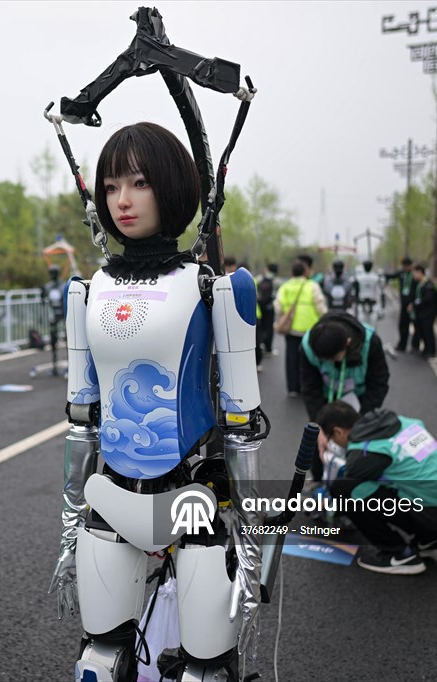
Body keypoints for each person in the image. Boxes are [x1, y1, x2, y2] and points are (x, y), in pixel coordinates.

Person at [49, 122, 271, 679]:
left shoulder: (214, 288)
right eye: (110, 186)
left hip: (197, 494)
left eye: (139, 183)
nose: (121, 200)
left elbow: (242, 421)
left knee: (205, 669)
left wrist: (249, 537)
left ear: (171, 187)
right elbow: (83, 418)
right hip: (110, 494)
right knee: (98, 660)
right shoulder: (87, 289)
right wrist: (71, 525)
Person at [315, 401, 437, 575]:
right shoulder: (403, 422)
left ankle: (399, 554)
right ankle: (430, 541)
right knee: (399, 480)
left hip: (436, 516)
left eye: (331, 438)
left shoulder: (363, 453)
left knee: (343, 489)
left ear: (338, 431)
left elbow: (352, 479)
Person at [299, 311, 390, 481]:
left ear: (347, 343)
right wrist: (318, 424)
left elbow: (379, 383)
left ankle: (355, 483)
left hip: (361, 399)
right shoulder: (308, 346)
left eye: (333, 358)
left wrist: (362, 420)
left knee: (359, 442)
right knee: (318, 439)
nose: (329, 363)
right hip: (327, 399)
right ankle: (319, 481)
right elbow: (310, 389)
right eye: (323, 360)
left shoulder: (371, 343)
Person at [274, 260, 327, 397]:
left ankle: (293, 388)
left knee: (292, 358)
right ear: (305, 272)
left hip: (291, 329)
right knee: (311, 358)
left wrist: (285, 315)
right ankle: (308, 386)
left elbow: (278, 306)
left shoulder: (285, 286)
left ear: (292, 273)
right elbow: (320, 306)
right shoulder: (312, 286)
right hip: (310, 329)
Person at [408, 264, 437, 358]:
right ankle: (426, 349)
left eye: (415, 273)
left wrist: (416, 304)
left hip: (428, 313)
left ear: (420, 273)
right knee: (423, 332)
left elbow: (428, 299)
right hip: (422, 313)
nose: (414, 276)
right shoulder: (420, 283)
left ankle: (431, 351)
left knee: (428, 332)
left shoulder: (428, 284)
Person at [385, 256, 416, 352]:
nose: (405, 267)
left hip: (413, 304)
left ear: (411, 265)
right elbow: (390, 276)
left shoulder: (414, 275)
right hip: (404, 304)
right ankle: (402, 345)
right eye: (404, 266)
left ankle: (415, 346)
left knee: (417, 326)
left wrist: (413, 303)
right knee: (403, 325)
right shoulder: (401, 274)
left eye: (407, 265)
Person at [256, 263, 278, 355]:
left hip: (260, 307)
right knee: (269, 328)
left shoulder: (260, 278)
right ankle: (268, 348)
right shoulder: (276, 281)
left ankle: (260, 344)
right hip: (270, 307)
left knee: (261, 327)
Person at [353, 260, 383, 327]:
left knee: (363, 325)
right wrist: (380, 308)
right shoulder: (375, 277)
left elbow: (355, 292)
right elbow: (379, 293)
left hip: (364, 303)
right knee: (372, 325)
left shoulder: (359, 278)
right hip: (370, 303)